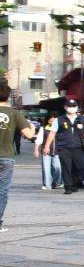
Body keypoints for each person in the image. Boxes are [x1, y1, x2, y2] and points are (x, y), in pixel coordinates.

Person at [0, 84, 37, 233]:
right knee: (2, 191)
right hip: (6, 157)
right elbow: (28, 135)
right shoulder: (14, 113)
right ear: (8, 96)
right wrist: (33, 128)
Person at [46, 101, 84, 196]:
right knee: (66, 166)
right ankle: (68, 186)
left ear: (77, 107)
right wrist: (47, 146)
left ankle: (74, 183)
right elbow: (52, 133)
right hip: (64, 147)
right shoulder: (59, 120)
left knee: (78, 166)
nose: (72, 108)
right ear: (65, 107)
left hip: (78, 146)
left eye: (74, 106)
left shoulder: (83, 119)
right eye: (70, 106)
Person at [34, 113, 60, 190]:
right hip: (46, 151)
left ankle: (56, 182)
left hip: (58, 151)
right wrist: (36, 150)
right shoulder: (43, 128)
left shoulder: (60, 128)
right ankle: (46, 184)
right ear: (47, 120)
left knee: (57, 168)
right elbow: (38, 140)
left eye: (54, 119)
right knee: (46, 168)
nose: (52, 120)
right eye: (50, 119)